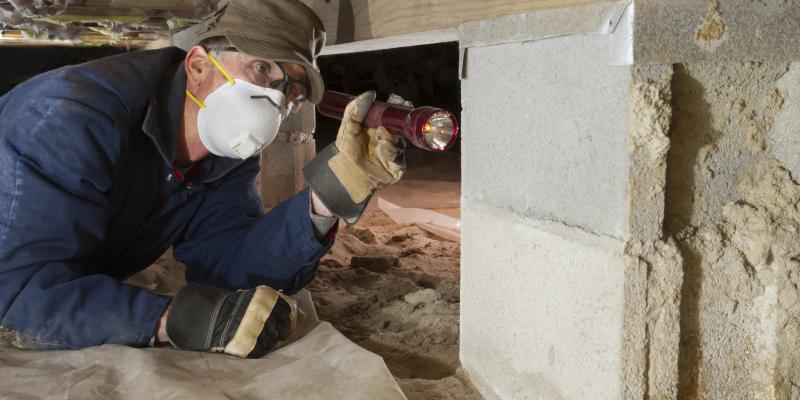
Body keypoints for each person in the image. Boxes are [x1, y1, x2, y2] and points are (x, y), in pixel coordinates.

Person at [0, 0, 404, 359]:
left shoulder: (224, 154)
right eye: (262, 68)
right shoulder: (71, 118)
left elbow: (228, 267)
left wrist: (325, 200)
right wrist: (169, 319)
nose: (276, 100)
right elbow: (18, 296)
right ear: (196, 66)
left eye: (292, 90)